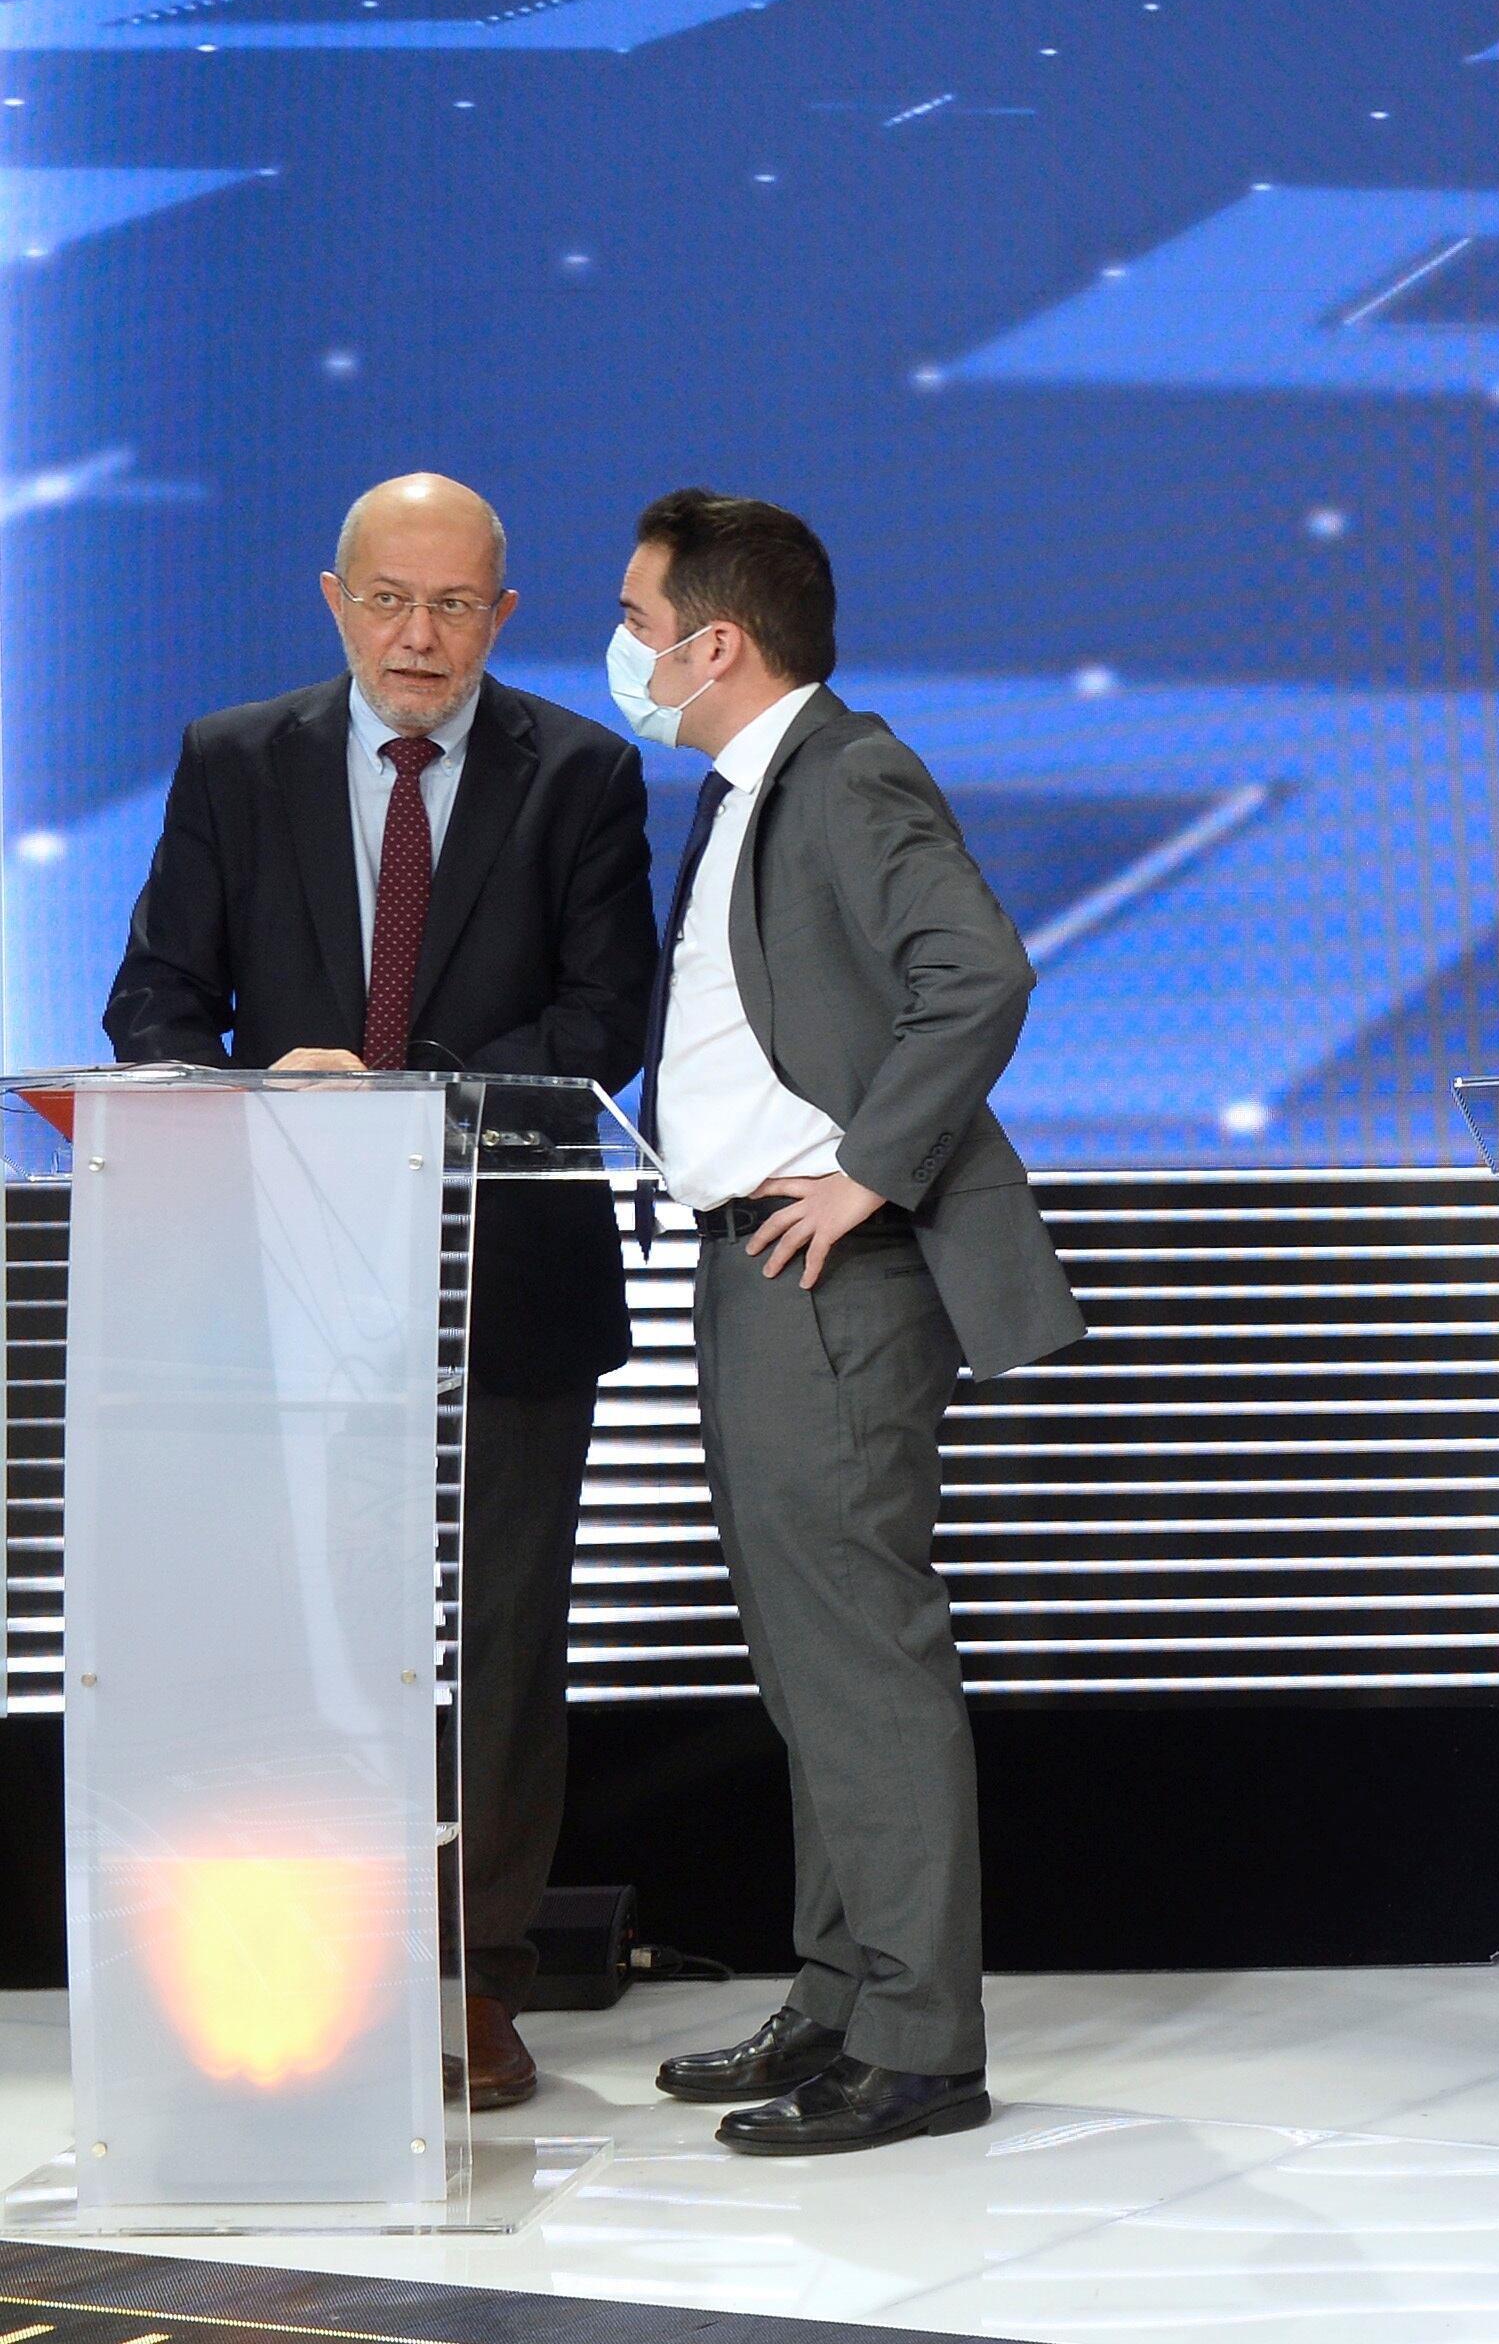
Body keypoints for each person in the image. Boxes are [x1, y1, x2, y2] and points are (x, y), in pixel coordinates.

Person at [103, 470, 655, 2116]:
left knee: (498, 1638)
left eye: (458, 606)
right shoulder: (232, 760)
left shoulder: (583, 774)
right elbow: (153, 1003)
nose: (421, 639)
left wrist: (404, 1103)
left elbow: (601, 1021)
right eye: (392, 602)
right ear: (336, 600)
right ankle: (322, 1968)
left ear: (504, 612)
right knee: (314, 1640)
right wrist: (277, 1096)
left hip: (514, 1274)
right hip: (279, 1277)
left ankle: (476, 1979)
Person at [613, 490, 1082, 2156]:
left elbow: (982, 974)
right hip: (746, 1263)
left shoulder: (850, 770)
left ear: (717, 642)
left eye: (641, 623)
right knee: (806, 1658)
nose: (629, 655)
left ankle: (914, 2040)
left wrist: (868, 1175)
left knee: (862, 1659)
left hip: (834, 1276)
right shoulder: (755, 788)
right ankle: (836, 1995)